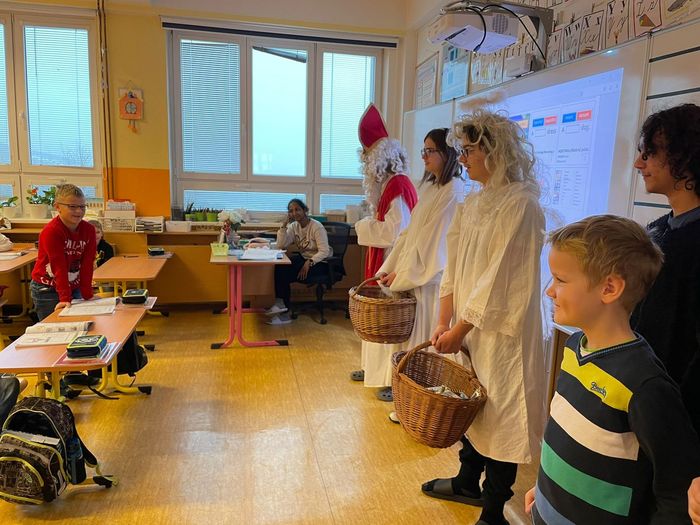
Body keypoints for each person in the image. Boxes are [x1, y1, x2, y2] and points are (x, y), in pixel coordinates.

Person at [525, 215, 700, 524]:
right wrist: (543, 488)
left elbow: (676, 491)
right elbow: (567, 437)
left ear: (609, 288)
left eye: (560, 280)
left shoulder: (644, 385)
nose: (550, 291)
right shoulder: (573, 347)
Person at [422, 107, 546, 525]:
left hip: (503, 334)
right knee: (472, 408)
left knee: (502, 415)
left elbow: (501, 280)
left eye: (469, 149)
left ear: (495, 151)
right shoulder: (472, 204)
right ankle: (465, 481)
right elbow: (452, 267)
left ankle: (493, 510)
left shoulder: (521, 204)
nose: (463, 157)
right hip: (469, 327)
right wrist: (444, 321)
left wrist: (460, 328)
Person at [373, 127, 464, 421]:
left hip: (430, 280)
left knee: (424, 348)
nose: (424, 156)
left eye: (430, 150)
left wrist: (402, 274)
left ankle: (423, 410)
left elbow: (431, 243)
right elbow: (409, 234)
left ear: (447, 153)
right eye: (423, 150)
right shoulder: (430, 188)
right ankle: (408, 404)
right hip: (415, 276)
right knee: (410, 346)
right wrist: (391, 269)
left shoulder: (454, 191)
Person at [629, 103, 700, 435]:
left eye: (650, 153)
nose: (638, 163)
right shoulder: (657, 230)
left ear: (684, 157)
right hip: (644, 403)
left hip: (677, 420)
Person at [351, 103, 418, 402]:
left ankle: (390, 378)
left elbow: (396, 231)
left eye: (367, 159)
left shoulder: (398, 186)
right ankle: (372, 369)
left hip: (394, 261)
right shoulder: (390, 185)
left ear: (379, 161)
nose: (366, 166)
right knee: (376, 317)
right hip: (384, 257)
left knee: (388, 321)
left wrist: (363, 225)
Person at [30, 184, 96, 321]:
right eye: (72, 207)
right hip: (47, 288)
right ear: (57, 207)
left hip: (73, 285)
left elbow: (87, 264)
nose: (79, 211)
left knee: (80, 324)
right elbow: (58, 266)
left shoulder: (89, 230)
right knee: (54, 326)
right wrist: (65, 298)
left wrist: (87, 294)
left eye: (82, 206)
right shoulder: (51, 231)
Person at [266, 198, 332, 325]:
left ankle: (285, 311)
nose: (294, 213)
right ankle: (281, 304)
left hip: (321, 262)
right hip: (305, 258)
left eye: (297, 209)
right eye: (291, 211)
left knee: (285, 274)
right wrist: (283, 226)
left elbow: (324, 251)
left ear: (305, 210)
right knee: (280, 267)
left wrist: (310, 262)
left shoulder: (316, 226)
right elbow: (281, 245)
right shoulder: (293, 226)